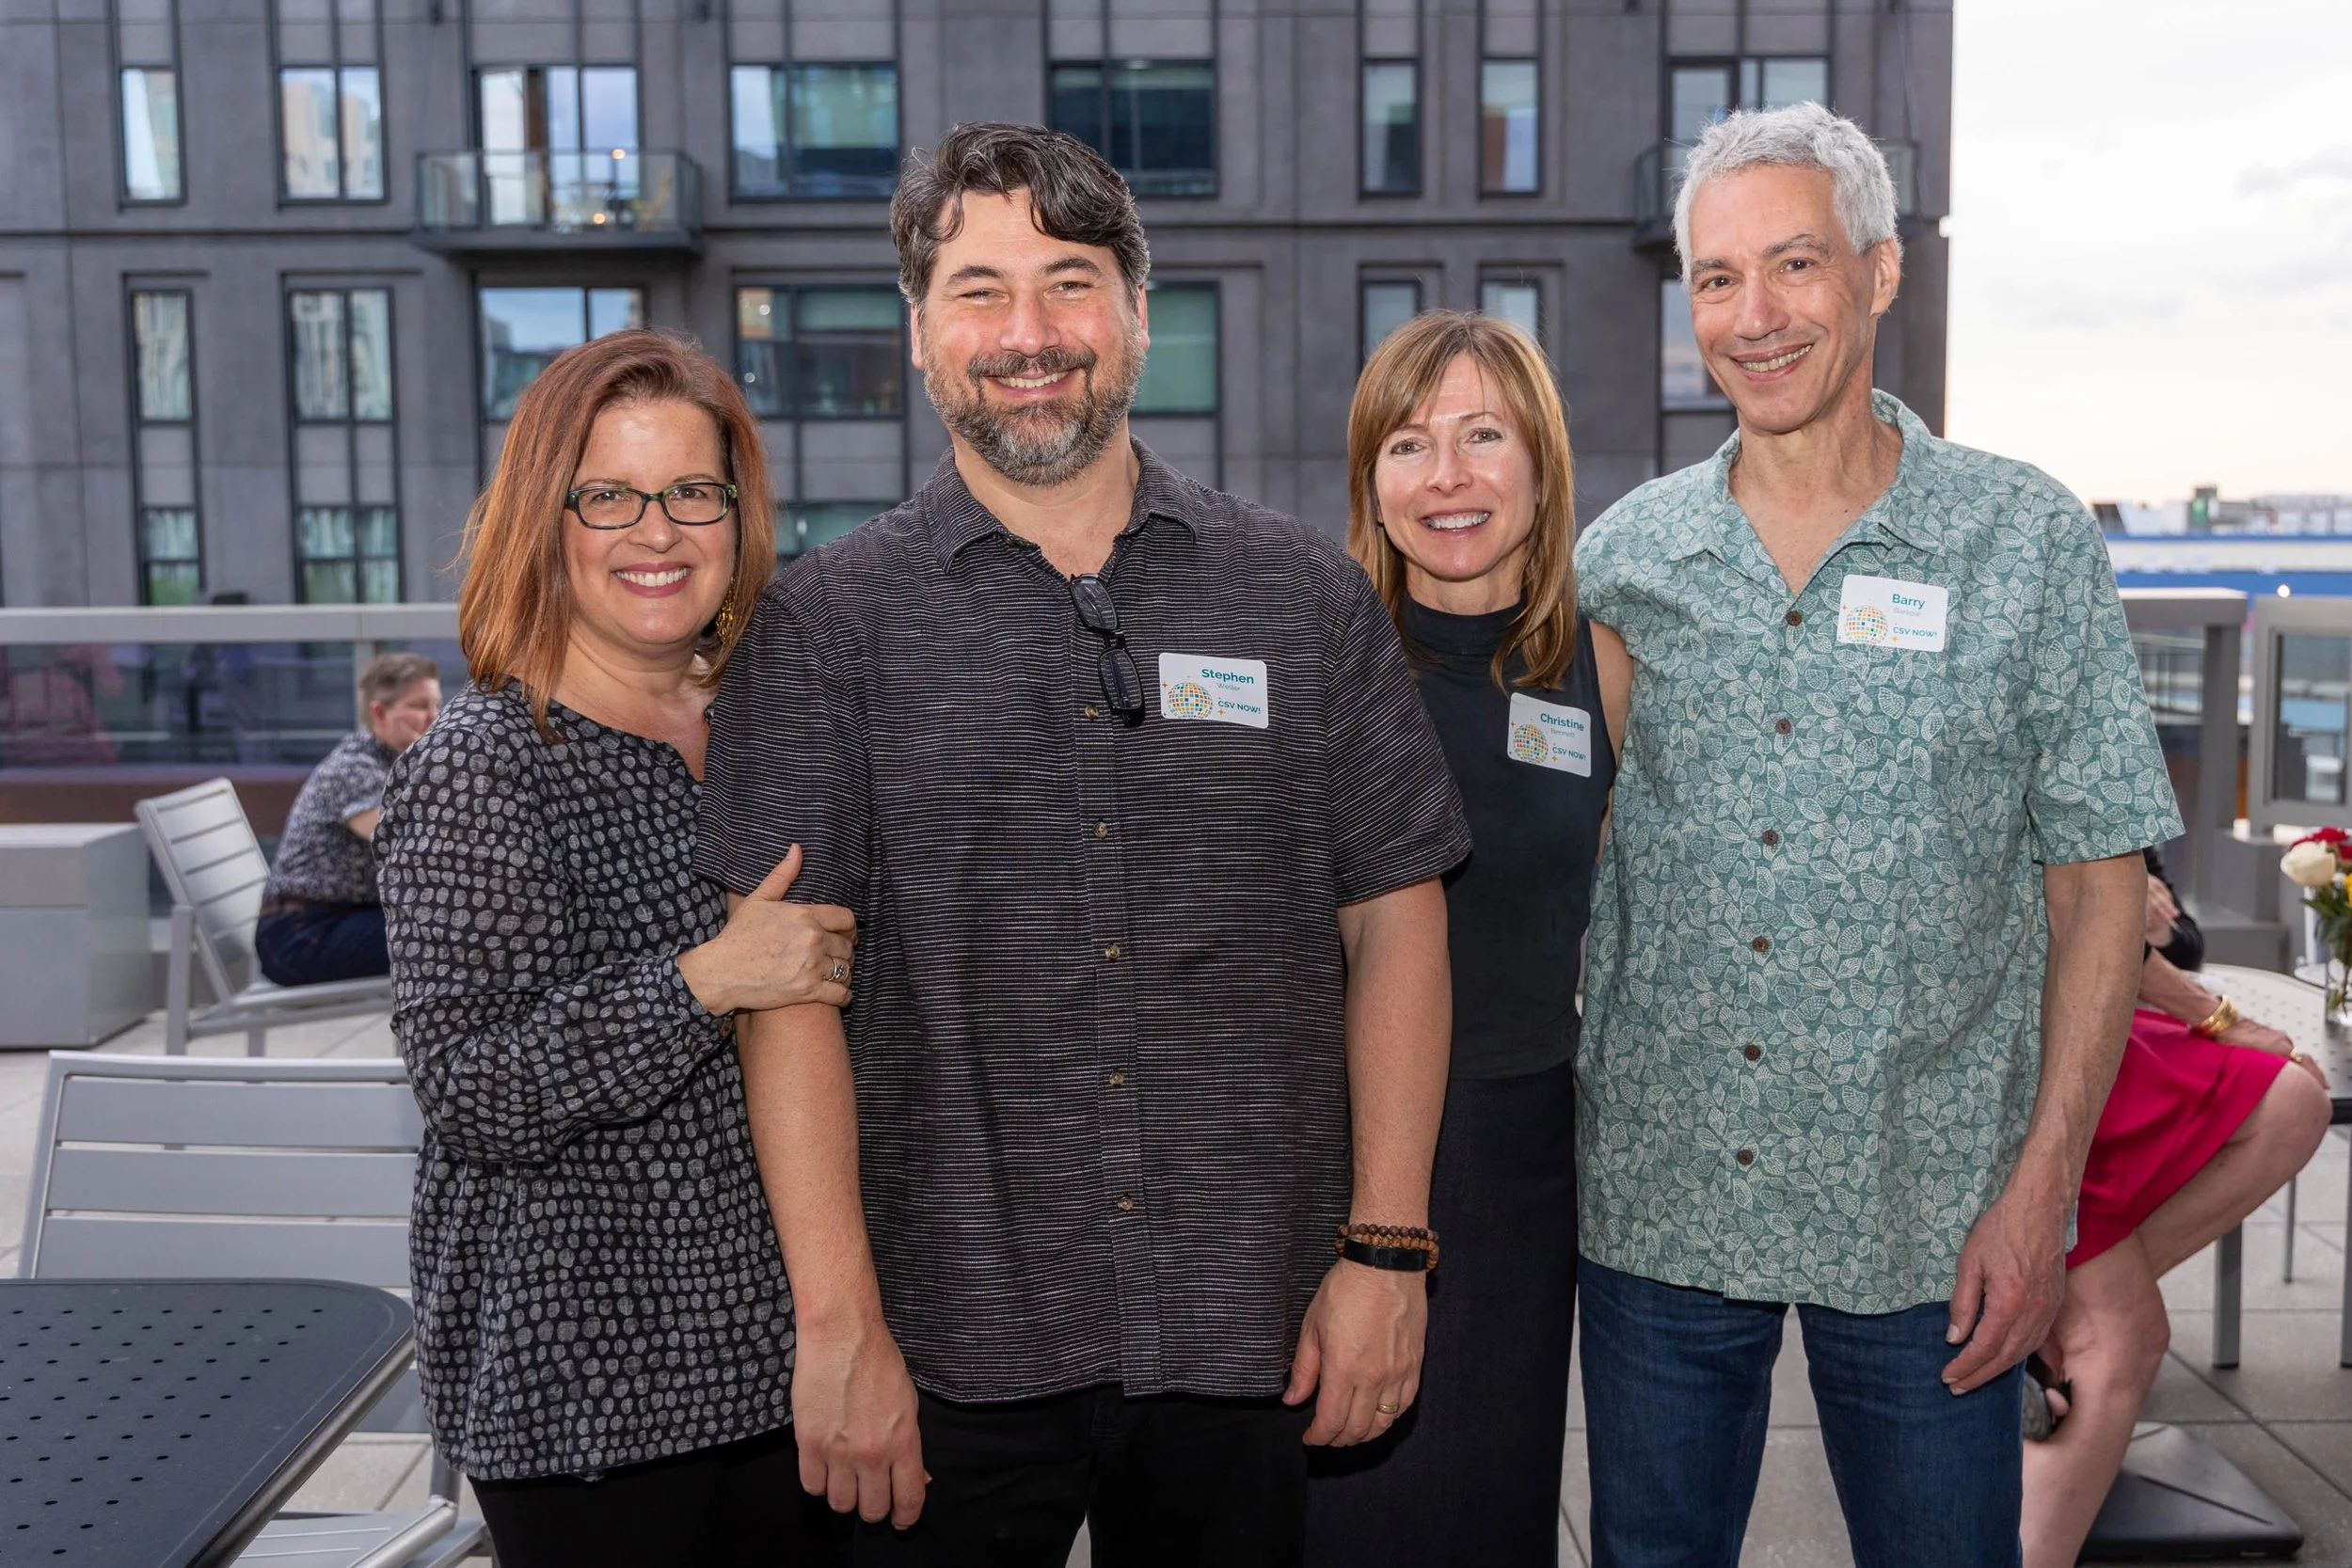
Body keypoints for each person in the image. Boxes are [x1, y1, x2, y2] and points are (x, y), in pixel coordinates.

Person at [693, 122, 1471, 1566]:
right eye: (980, 290)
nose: (1029, 334)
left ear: (1137, 317)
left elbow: (1397, 917)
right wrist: (839, 1325)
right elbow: (788, 992)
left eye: (1068, 282)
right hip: (947, 1334)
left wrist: (1385, 1249)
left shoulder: (1303, 596)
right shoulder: (826, 628)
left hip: (1255, 1315)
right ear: (921, 331)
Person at [1572, 102, 2182, 1568]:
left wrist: (2043, 1194)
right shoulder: (1627, 557)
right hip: (1664, 1199)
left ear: (1882, 273)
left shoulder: (2023, 542)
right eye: (1717, 278)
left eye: (1794, 265)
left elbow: (2100, 891)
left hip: (1930, 1217)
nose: (1755, 315)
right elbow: (1558, 847)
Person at [375, 329, 851, 1568]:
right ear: (549, 517)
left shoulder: (752, 717)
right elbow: (471, 1087)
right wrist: (707, 979)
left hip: (776, 1361)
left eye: (693, 490)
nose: (658, 530)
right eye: (610, 496)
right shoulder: (487, 758)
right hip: (590, 1394)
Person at [1307, 310, 1609, 1566]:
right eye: (1410, 442)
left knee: (1489, 1509)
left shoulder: (1604, 667)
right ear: (1370, 477)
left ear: (1540, 461)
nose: (1446, 477)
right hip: (1342, 1149)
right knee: (1337, 1506)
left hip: (1521, 1159)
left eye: (1484, 435)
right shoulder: (1323, 663)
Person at [2019, 919, 2331, 1566]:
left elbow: (2167, 934)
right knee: (2115, 1340)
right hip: (2024, 1024)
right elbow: (2090, 903)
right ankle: (2061, 1321)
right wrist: (2218, 1017)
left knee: (2293, 1100)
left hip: (2065, 999)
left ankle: (2042, 1310)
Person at [253, 649, 439, 985]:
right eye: (419, 706)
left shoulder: (390, 762)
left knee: (454, 930)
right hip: (300, 935)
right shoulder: (356, 769)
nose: (433, 718)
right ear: (380, 713)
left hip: (338, 919)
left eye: (436, 706)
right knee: (446, 940)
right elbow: (412, 848)